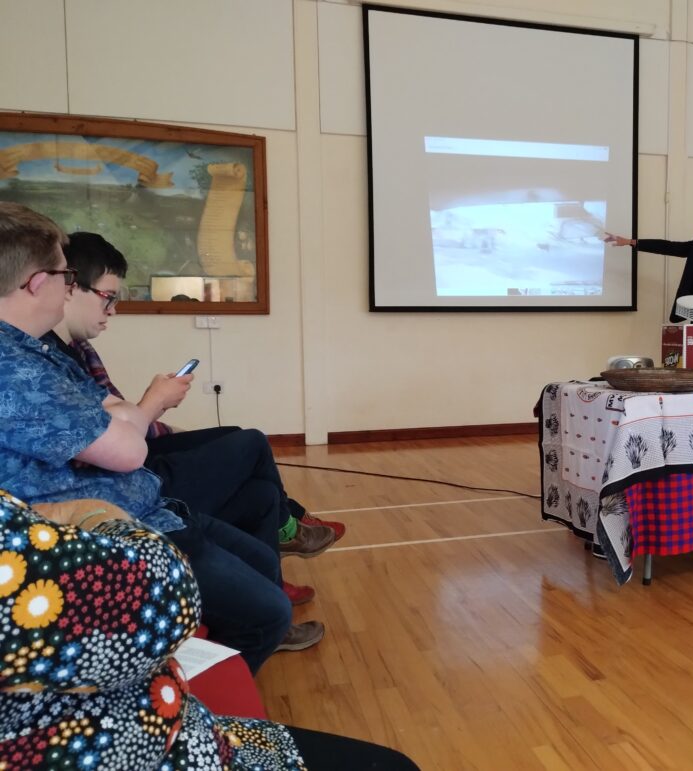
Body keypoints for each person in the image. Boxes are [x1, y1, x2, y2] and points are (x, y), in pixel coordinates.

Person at [0, 203, 308, 672]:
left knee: (261, 541)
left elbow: (116, 411)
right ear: (38, 283)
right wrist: (142, 411)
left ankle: (283, 528)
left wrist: (131, 416)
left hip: (147, 507)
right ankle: (190, 715)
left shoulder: (36, 353)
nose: (68, 289)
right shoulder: (15, 367)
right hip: (112, 538)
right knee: (267, 607)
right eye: (66, 276)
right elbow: (127, 446)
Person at [0, 491, 420, 770]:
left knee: (253, 471)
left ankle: (287, 532)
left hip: (152, 505)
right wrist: (92, 511)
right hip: (154, 751)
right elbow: (164, 597)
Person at [47, 232, 340, 607]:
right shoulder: (45, 360)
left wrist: (162, 419)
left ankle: (272, 580)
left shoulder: (74, 351)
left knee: (258, 485)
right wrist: (153, 404)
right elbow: (107, 438)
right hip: (126, 479)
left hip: (130, 456)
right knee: (250, 442)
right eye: (109, 297)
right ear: (69, 287)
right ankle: (288, 528)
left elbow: (119, 417)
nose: (113, 310)